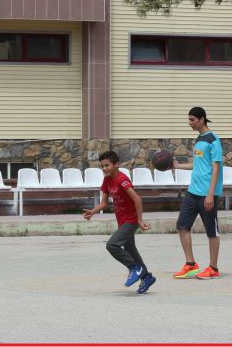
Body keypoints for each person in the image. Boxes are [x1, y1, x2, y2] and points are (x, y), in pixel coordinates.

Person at [83, 151, 156, 294]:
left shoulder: (122, 179)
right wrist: (93, 211)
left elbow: (137, 199)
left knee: (112, 245)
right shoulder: (107, 180)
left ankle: (134, 268)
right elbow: (104, 202)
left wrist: (139, 220)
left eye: (107, 165)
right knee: (130, 249)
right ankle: (146, 277)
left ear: (116, 164)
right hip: (122, 220)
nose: (105, 168)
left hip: (131, 220)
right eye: (102, 166)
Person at [171, 107, 223, 280]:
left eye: (192, 120)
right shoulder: (199, 139)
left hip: (207, 194)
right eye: (189, 119)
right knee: (182, 226)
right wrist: (178, 166)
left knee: (212, 232)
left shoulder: (213, 140)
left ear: (201, 119)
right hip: (192, 193)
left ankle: (213, 268)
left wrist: (210, 194)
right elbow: (198, 164)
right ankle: (190, 264)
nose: (190, 123)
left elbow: (216, 167)